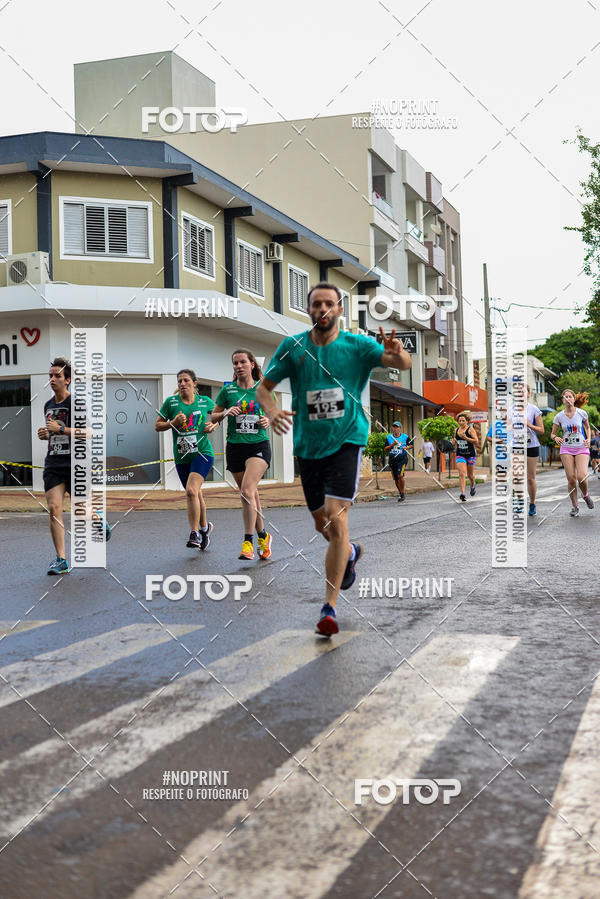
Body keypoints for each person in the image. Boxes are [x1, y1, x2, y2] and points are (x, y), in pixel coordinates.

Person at [256, 282, 411, 636]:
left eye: (329, 303)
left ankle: (329, 607)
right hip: (308, 446)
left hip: (347, 440)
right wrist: (273, 410)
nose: (323, 309)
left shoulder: (357, 346)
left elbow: (400, 363)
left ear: (340, 309)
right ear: (308, 309)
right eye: (316, 304)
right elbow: (263, 388)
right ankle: (349, 553)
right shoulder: (293, 347)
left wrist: (398, 353)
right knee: (321, 524)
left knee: (336, 517)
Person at [38, 357, 107, 574]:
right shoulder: (48, 405)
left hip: (76, 463)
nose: (52, 379)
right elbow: (53, 432)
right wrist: (46, 434)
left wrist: (60, 430)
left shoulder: (76, 403)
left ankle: (97, 517)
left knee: (81, 510)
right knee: (53, 508)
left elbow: (89, 432)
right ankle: (61, 560)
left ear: (67, 380)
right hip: (53, 463)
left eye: (57, 375)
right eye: (50, 375)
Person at [212, 350, 273, 561]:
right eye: (235, 363)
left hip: (258, 445)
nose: (238, 366)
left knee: (246, 491)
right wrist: (225, 412)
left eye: (242, 362)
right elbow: (213, 416)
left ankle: (248, 542)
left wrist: (267, 420)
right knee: (250, 494)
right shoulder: (228, 390)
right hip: (235, 447)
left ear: (252, 364)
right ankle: (263, 536)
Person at [155, 369, 218, 549]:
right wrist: (173, 423)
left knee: (191, 491)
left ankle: (194, 533)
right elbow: (157, 426)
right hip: (182, 456)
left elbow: (218, 415)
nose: (182, 384)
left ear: (194, 383)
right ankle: (205, 529)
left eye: (186, 380)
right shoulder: (171, 402)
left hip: (202, 453)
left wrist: (214, 425)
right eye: (179, 381)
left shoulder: (204, 401)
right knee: (195, 493)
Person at [551, 389, 594, 517]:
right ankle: (575, 506)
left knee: (582, 477)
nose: (568, 398)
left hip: (581, 447)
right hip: (566, 449)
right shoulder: (559, 416)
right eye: (566, 397)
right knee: (571, 479)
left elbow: (587, 427)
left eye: (570, 396)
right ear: (563, 400)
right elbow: (552, 434)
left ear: (574, 399)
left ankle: (585, 495)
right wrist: (555, 438)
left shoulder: (582, 413)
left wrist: (589, 439)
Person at [524, 386, 544, 517]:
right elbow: (506, 427)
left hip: (531, 445)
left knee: (530, 478)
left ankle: (532, 503)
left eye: (523, 391)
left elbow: (541, 430)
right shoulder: (511, 410)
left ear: (528, 393)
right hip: (516, 445)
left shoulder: (534, 409)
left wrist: (529, 425)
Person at [453, 410, 479, 502]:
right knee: (462, 473)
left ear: (467, 421)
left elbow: (476, 441)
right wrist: (454, 442)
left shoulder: (470, 429)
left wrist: (465, 438)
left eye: (463, 421)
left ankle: (472, 484)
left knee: (470, 475)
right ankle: (463, 493)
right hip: (460, 454)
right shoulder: (456, 430)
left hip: (470, 455)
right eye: (459, 421)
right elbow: (455, 444)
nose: (461, 422)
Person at [384, 422, 412, 501]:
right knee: (396, 479)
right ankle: (401, 493)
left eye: (397, 427)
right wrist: (392, 444)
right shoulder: (389, 437)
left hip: (402, 459)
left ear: (400, 428)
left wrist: (406, 447)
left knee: (400, 475)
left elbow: (411, 445)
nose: (395, 429)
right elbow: (385, 449)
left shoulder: (405, 437)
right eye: (394, 427)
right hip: (392, 460)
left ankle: (402, 493)